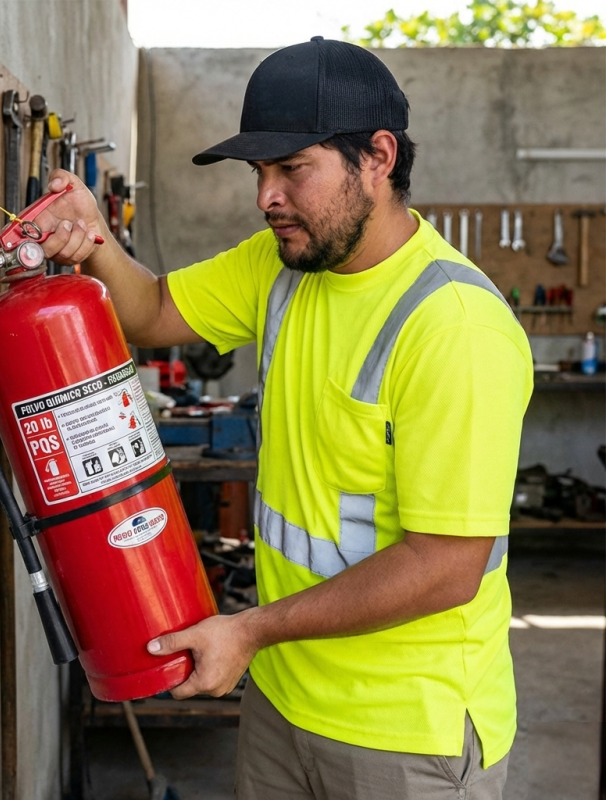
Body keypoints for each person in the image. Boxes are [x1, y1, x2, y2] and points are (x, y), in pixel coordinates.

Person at [36, 37, 533, 800]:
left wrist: (250, 629)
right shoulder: (285, 265)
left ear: (377, 156)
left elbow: (446, 565)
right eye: (258, 173)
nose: (266, 196)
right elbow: (155, 308)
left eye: (292, 168)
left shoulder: (455, 327)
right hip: (283, 695)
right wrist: (93, 232)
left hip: (405, 733)